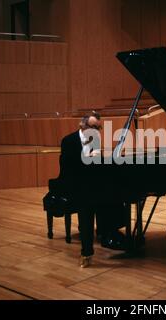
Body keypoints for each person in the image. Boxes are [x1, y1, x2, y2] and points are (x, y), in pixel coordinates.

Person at [59, 111, 126, 268]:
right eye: (92, 126)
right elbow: (68, 168)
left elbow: (96, 166)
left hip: (92, 184)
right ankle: (86, 252)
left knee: (114, 198)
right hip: (76, 185)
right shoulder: (68, 141)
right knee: (88, 204)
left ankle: (110, 234)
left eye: (98, 127)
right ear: (82, 125)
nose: (96, 130)